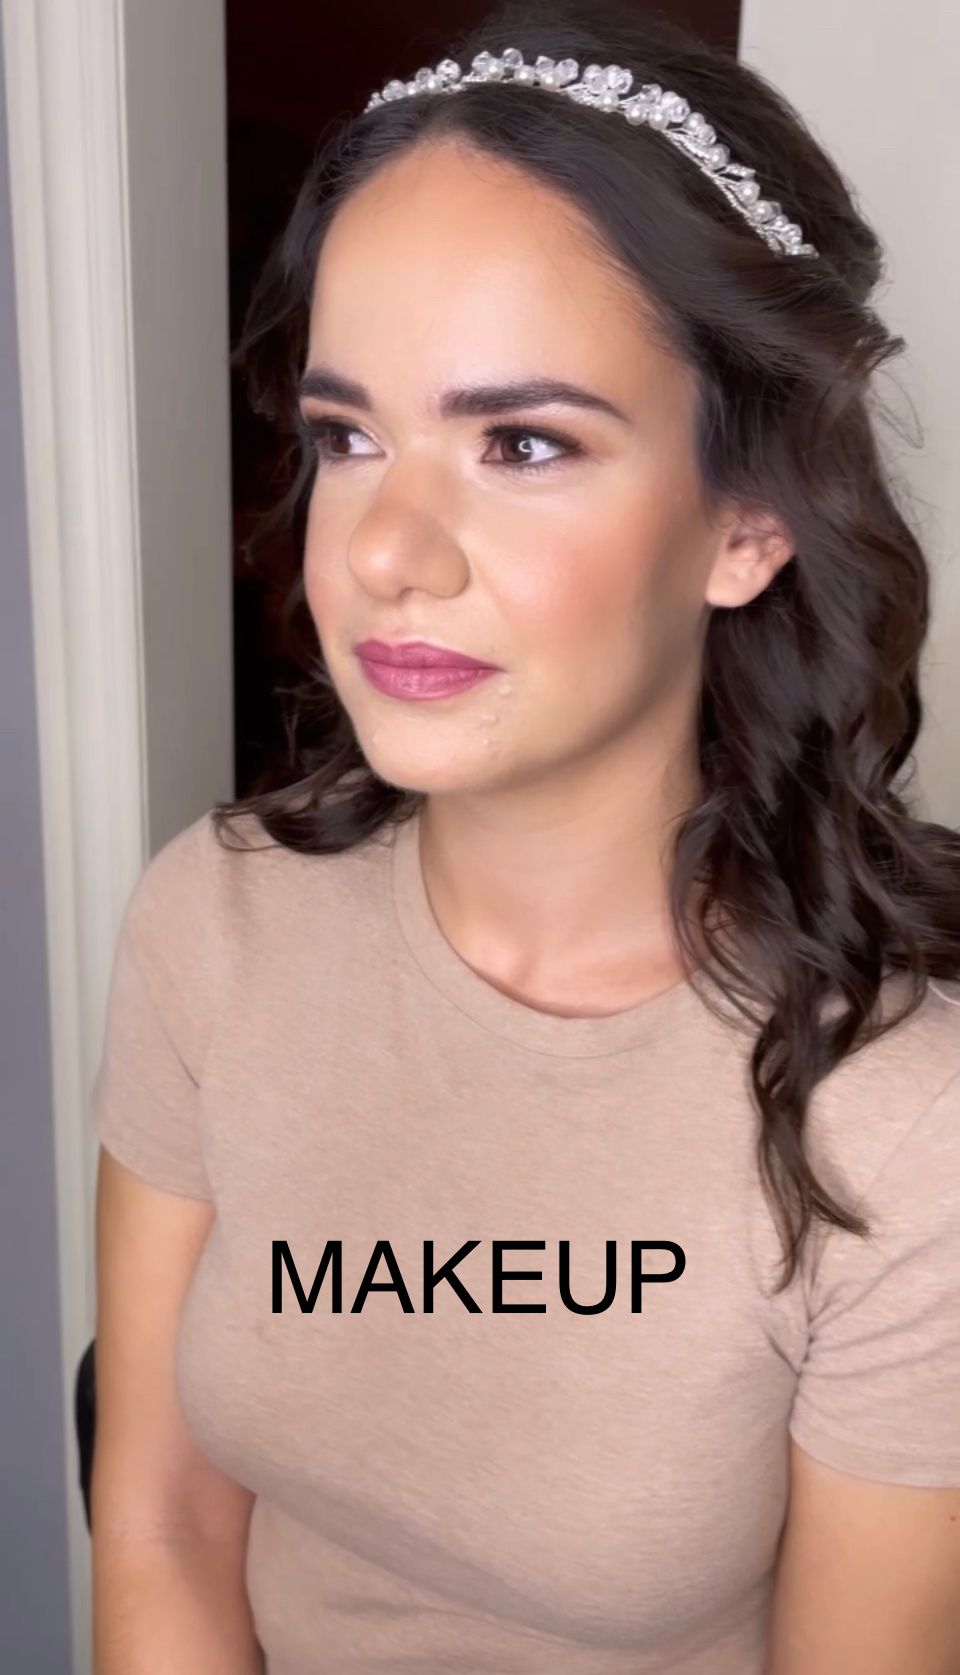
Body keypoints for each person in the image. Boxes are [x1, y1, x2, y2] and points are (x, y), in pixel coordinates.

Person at [89, 2, 960, 1671]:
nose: (387, 553)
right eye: (350, 438)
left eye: (524, 442)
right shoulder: (214, 921)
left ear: (749, 519)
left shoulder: (901, 1134)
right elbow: (163, 1529)